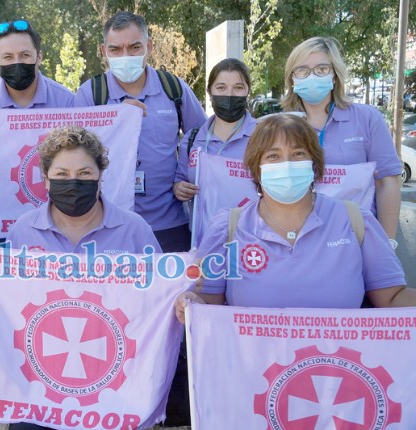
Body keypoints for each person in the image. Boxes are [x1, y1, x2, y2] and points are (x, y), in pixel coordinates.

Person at [0, 127, 162, 430]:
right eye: (61, 174)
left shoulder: (135, 229)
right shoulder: (23, 231)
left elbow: (159, 299)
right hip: (40, 380)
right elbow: (4, 304)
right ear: (46, 180)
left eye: (85, 173)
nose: (73, 182)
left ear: (101, 177)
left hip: (117, 380)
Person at [175, 114, 415, 321]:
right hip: (252, 372)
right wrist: (189, 304)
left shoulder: (355, 221)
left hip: (338, 369)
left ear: (315, 164)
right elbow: (207, 306)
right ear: (256, 168)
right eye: (273, 156)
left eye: (298, 154)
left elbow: (392, 298)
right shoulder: (227, 229)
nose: (287, 165)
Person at [74, 11, 207, 254]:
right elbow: (73, 152)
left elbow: (201, 139)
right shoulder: (90, 94)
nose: (125, 56)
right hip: (107, 225)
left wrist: (185, 178)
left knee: (170, 291)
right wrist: (115, 119)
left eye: (134, 47)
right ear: (103, 51)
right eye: (115, 49)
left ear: (149, 47)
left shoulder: (173, 89)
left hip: (169, 224)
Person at [281, 37, 402, 248]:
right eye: (302, 70)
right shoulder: (282, 126)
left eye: (321, 69)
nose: (312, 76)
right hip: (301, 242)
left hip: (358, 240)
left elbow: (387, 182)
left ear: (335, 75)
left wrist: (387, 242)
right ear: (292, 78)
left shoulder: (366, 118)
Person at [0, 19, 74, 157]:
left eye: (25, 55)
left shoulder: (65, 101)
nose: (17, 62)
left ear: (39, 57)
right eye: (8, 57)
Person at [174, 58, 257, 244]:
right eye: (221, 88)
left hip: (252, 242)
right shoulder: (193, 139)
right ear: (209, 92)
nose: (229, 94)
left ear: (248, 92)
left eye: (238, 87)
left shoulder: (264, 137)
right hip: (203, 242)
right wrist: (179, 188)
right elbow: (180, 178)